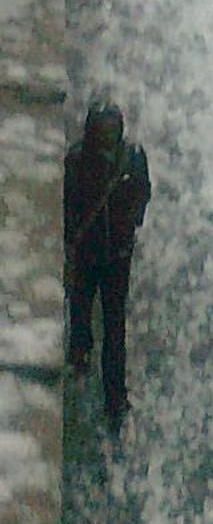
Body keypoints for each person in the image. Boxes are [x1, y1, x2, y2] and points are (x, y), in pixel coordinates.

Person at [64, 103, 151, 430]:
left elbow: (143, 193)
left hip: (113, 255)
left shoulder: (129, 160)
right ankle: (82, 349)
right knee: (86, 307)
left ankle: (113, 393)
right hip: (98, 253)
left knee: (113, 325)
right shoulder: (78, 162)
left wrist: (129, 224)